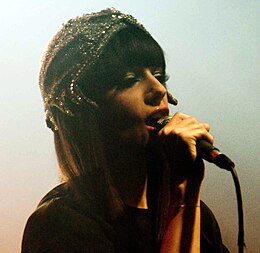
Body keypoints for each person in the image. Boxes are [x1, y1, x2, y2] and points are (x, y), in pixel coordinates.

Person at [22, 8, 229, 253]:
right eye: (129, 79)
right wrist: (185, 196)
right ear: (85, 110)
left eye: (159, 75)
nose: (158, 90)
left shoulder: (197, 216)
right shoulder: (58, 224)